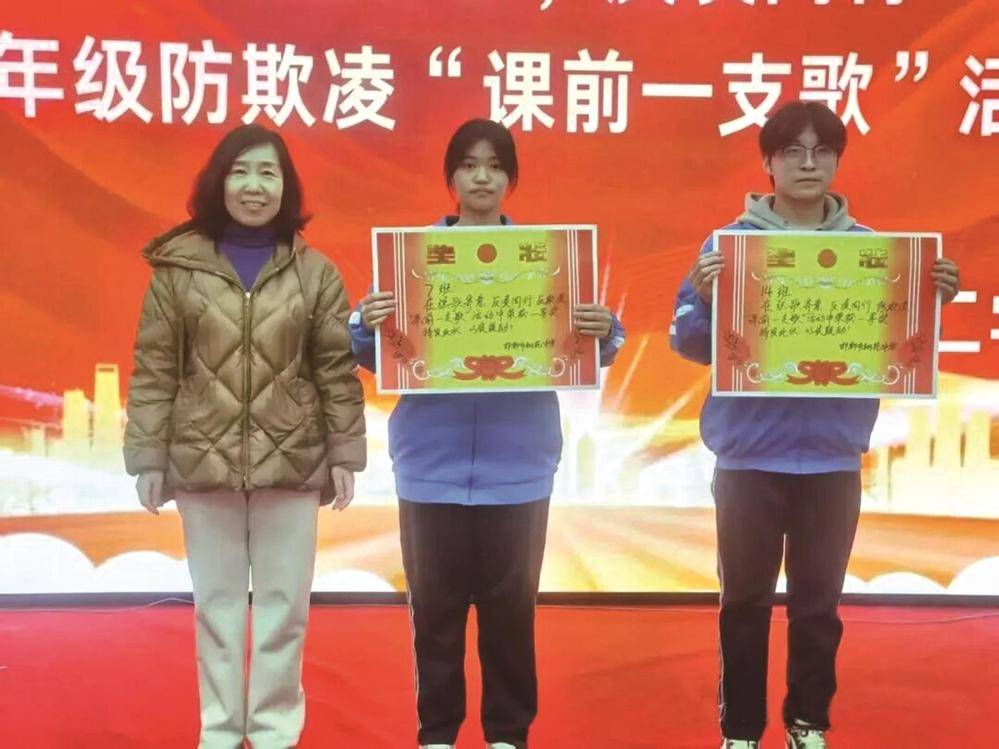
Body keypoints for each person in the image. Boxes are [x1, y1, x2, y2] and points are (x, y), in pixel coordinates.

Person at [670, 101, 960, 749]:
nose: (808, 163)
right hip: (747, 457)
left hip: (832, 456)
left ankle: (807, 722)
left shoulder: (875, 253)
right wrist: (706, 299)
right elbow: (687, 344)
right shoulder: (727, 246)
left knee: (818, 606)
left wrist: (926, 299)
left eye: (821, 151)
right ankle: (741, 730)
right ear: (767, 163)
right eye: (792, 151)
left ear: (836, 161)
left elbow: (895, 348)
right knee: (743, 602)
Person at [349, 118, 626, 749]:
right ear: (450, 178)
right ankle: (437, 735)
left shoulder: (550, 261)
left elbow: (592, 349)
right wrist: (364, 324)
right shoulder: (410, 259)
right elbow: (372, 353)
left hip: (518, 467)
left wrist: (603, 329)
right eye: (469, 165)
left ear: (510, 180)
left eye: (496, 166)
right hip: (430, 466)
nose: (482, 177)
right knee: (435, 615)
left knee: (511, 616)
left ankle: (507, 734)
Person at [123, 123, 366, 749]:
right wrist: (148, 457)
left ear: (286, 187)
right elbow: (155, 369)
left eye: (268, 173)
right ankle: (222, 731)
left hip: (294, 461)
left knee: (285, 609)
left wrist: (345, 453)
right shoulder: (177, 271)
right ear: (219, 182)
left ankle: (275, 731)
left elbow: (334, 370)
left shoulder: (316, 273)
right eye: (240, 171)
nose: (254, 186)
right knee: (218, 607)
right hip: (201, 462)